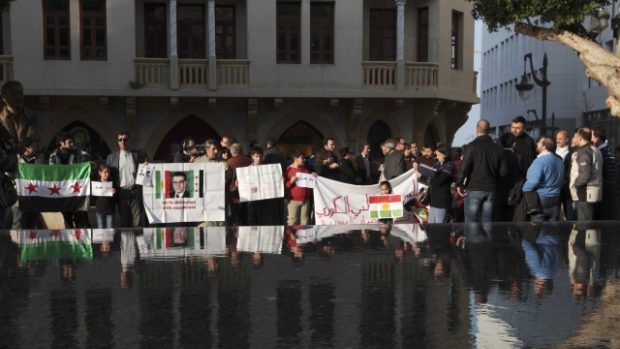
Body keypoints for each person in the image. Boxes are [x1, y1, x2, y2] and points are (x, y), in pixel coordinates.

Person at [456, 119, 505, 223]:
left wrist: (459, 184)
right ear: (488, 130)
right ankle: (487, 239)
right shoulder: (498, 149)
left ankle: (473, 239)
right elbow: (503, 172)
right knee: (487, 221)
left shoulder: (472, 146)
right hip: (491, 188)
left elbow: (464, 168)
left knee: (472, 222)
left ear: (477, 129)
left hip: (474, 187)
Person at [49, 132, 91, 228]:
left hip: (75, 190)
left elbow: (86, 158)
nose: (72, 144)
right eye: (69, 142)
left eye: (73, 142)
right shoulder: (54, 155)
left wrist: (79, 151)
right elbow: (52, 172)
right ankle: (69, 237)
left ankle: (80, 237)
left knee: (79, 215)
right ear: (61, 143)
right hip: (62, 191)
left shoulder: (77, 153)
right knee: (67, 217)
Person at [106, 131, 146, 228]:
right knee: (125, 222)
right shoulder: (111, 158)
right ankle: (126, 243)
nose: (123, 141)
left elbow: (145, 167)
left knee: (138, 221)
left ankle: (136, 242)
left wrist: (146, 161)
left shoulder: (136, 155)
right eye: (120, 139)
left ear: (129, 141)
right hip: (121, 193)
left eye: (125, 139)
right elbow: (107, 175)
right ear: (117, 141)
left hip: (135, 191)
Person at [522, 136, 564, 221]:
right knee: (552, 231)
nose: (537, 144)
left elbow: (533, 182)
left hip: (541, 199)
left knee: (538, 230)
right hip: (556, 198)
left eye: (539, 142)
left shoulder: (539, 161)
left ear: (544, 146)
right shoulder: (559, 160)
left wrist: (524, 188)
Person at [569, 128, 602, 221]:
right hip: (591, 193)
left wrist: (575, 186)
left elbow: (584, 176)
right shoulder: (594, 149)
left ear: (580, 137)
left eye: (575, 136)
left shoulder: (584, 151)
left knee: (585, 226)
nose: (573, 138)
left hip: (585, 194)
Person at [423, 147, 455, 223]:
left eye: (439, 155)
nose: (437, 157)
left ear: (445, 155)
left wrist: (425, 177)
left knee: (439, 225)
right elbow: (430, 179)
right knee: (431, 224)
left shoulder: (450, 166)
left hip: (442, 200)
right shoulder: (436, 165)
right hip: (433, 200)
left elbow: (438, 181)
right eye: (436, 155)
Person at [495, 132, 522, 222]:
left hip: (497, 191)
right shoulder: (518, 157)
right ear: (514, 143)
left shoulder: (497, 156)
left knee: (498, 219)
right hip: (513, 192)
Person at [592, 128, 616, 220]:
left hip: (604, 190)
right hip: (608, 189)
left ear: (597, 138)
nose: (591, 140)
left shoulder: (601, 153)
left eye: (592, 137)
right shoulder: (608, 151)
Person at [285, 150, 312, 225]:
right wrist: (291, 182)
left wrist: (313, 174)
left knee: (305, 223)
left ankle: (303, 237)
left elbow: (310, 182)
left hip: (306, 201)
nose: (304, 160)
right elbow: (284, 187)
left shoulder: (305, 169)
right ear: (295, 159)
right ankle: (292, 237)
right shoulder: (288, 170)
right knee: (292, 222)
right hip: (293, 201)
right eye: (302, 158)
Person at [556, 130, 575, 220]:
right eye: (557, 138)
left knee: (569, 211)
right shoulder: (553, 151)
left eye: (560, 139)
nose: (558, 141)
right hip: (557, 185)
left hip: (568, 185)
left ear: (567, 139)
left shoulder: (572, 152)